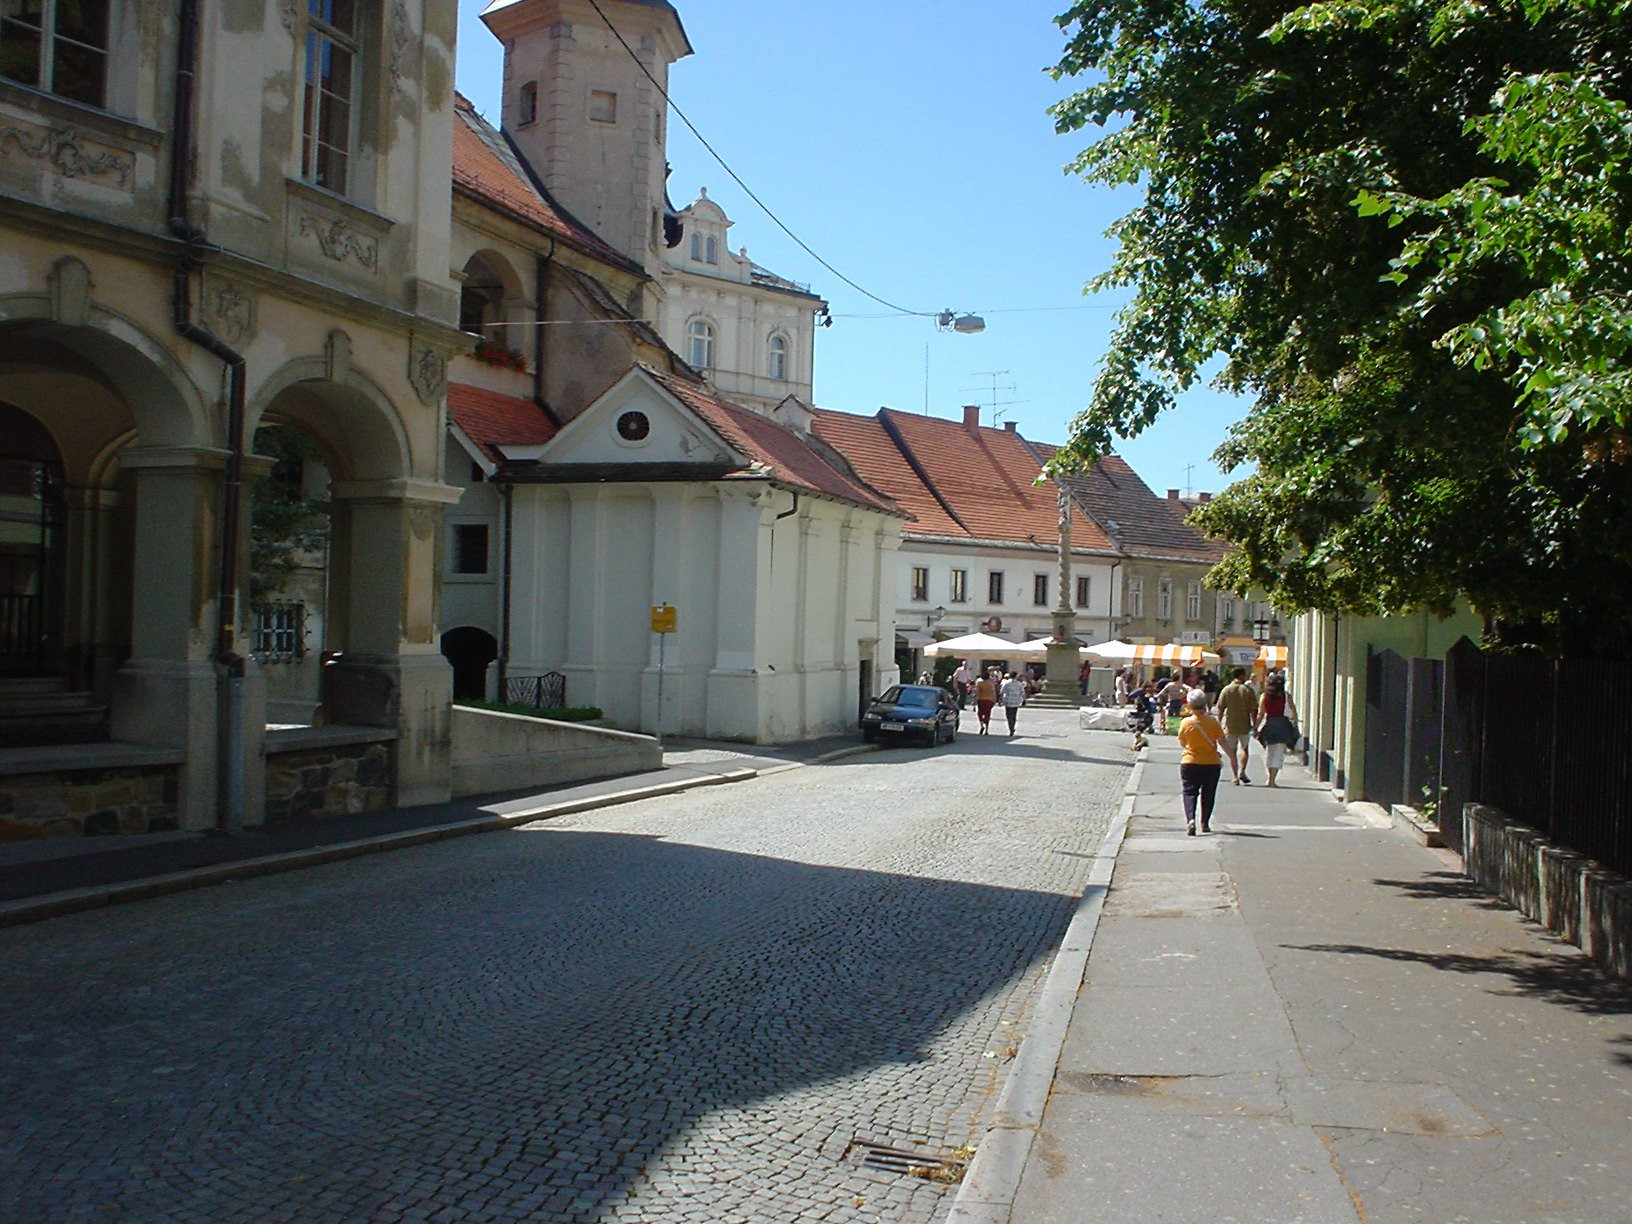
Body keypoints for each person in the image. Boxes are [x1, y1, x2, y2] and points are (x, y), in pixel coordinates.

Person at [1179, 687, 1238, 834]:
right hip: (1211, 763)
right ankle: (1205, 823)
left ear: (1189, 705)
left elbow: (1182, 742)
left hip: (1189, 761)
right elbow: (1222, 741)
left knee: (1189, 792)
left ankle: (1190, 819)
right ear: (1205, 704)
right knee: (1208, 793)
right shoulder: (1213, 722)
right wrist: (1232, 756)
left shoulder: (1186, 723)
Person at [1215, 667, 1259, 785]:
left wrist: (1218, 723)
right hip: (1244, 725)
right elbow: (1254, 710)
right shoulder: (1247, 690)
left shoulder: (1226, 690)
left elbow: (1220, 708)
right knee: (1245, 749)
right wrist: (1255, 726)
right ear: (1241, 676)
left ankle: (1235, 776)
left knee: (1232, 752)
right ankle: (1242, 771)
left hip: (1230, 725)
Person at [1256, 673, 1301, 787]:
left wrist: (1255, 727)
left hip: (1270, 724)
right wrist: (1295, 725)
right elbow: (1293, 710)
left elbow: (1261, 713)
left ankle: (1269, 778)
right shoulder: (1286, 696)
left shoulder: (1264, 696)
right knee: (1279, 753)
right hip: (1283, 724)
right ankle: (1272, 779)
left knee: (1270, 752)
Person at [998, 670, 1028, 736]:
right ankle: (1013, 726)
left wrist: (1000, 700)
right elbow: (1023, 693)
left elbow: (1002, 692)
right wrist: (1024, 700)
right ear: (1016, 676)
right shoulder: (1019, 684)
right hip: (1016, 701)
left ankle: (1011, 727)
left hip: (1008, 701)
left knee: (1008, 715)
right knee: (1014, 715)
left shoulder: (1006, 683)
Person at [972, 670, 998, 735]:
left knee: (980, 713)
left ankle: (981, 725)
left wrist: (974, 700)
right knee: (987, 714)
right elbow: (993, 692)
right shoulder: (990, 683)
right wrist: (995, 700)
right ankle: (986, 729)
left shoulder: (979, 683)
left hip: (981, 699)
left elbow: (977, 692)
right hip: (989, 699)